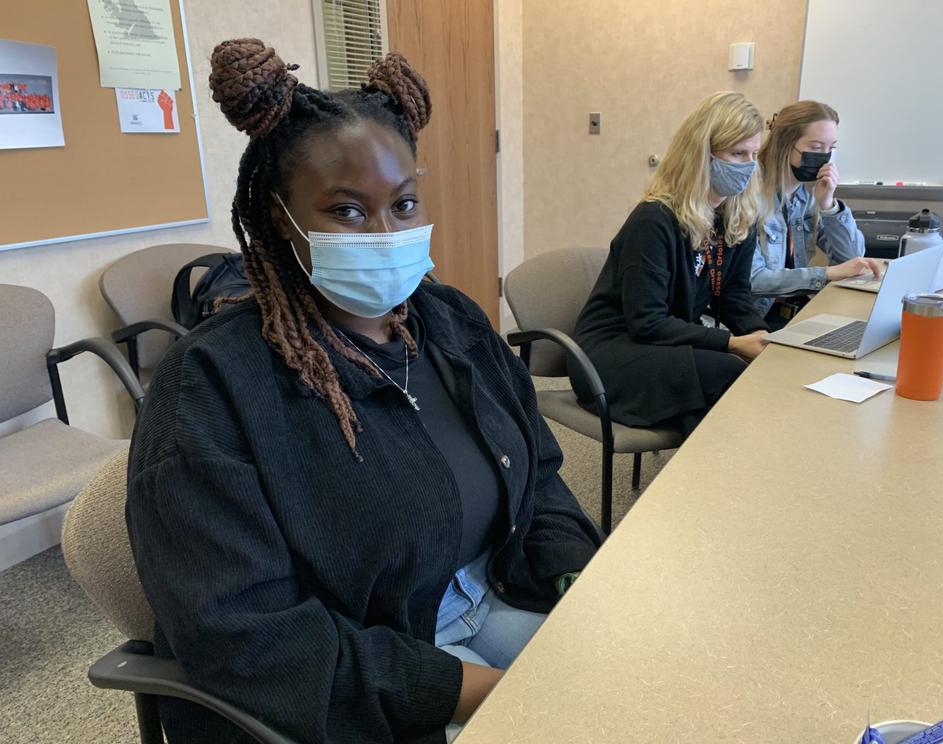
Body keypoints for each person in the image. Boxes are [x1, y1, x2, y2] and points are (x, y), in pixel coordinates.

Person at [125, 39, 601, 744]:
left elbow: (541, 473)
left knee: (639, 685)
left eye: (404, 203)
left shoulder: (451, 322)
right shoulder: (212, 388)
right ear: (277, 221)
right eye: (346, 211)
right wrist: (476, 693)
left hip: (488, 595)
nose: (386, 233)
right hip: (360, 684)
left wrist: (576, 583)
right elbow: (246, 638)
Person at [571, 91, 770, 438]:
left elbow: (734, 295)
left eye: (753, 154)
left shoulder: (737, 217)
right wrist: (732, 343)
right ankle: (711, 480)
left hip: (665, 343)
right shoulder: (654, 219)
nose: (748, 165)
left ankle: (706, 482)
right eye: (737, 153)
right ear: (702, 155)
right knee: (726, 373)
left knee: (740, 387)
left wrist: (763, 338)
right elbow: (647, 322)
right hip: (612, 352)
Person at [752, 100, 879, 328]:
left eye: (831, 148)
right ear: (784, 144)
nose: (825, 156)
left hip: (794, 312)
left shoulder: (809, 194)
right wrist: (826, 274)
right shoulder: (749, 194)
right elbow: (754, 279)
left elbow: (851, 257)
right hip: (756, 317)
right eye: (816, 147)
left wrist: (829, 206)